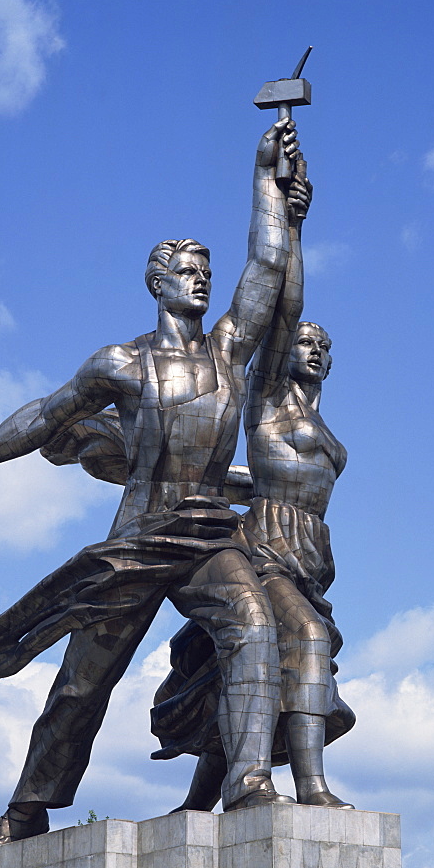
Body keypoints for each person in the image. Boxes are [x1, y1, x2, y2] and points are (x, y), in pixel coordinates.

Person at [0, 119, 310, 849]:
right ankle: (25, 812)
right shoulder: (122, 364)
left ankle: (249, 784)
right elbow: (46, 413)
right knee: (79, 688)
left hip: (201, 537)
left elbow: (264, 268)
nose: (202, 277)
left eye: (205, 269)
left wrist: (266, 181)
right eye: (188, 269)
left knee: (252, 627)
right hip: (135, 542)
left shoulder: (228, 351)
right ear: (157, 282)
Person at [150, 158, 356, 810]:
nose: (314, 348)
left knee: (246, 666)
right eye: (305, 342)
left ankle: (200, 802)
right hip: (266, 547)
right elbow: (283, 303)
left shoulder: (325, 428)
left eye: (325, 343)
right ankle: (311, 786)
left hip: (309, 557)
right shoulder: (269, 402)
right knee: (306, 641)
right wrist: (293, 226)